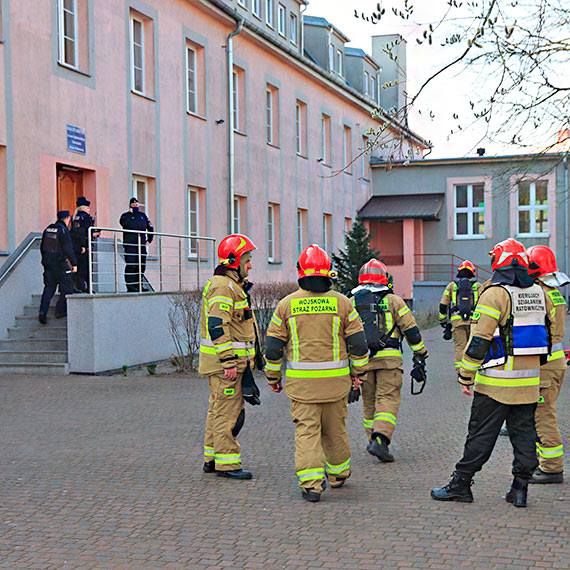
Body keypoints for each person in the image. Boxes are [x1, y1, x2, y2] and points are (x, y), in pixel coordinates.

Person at [431, 239, 552, 508]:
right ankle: (519, 490)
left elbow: (478, 341)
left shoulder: (494, 294)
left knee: (480, 435)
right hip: (529, 382)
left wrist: (465, 376)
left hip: (495, 384)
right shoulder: (540, 293)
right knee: (525, 437)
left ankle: (461, 485)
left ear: (499, 262)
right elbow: (550, 332)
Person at [264, 245, 369, 502]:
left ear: (301, 272)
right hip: (336, 385)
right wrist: (360, 374)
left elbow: (274, 348)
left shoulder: (286, 305)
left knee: (307, 432)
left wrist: (273, 378)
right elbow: (358, 344)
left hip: (302, 388)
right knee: (335, 430)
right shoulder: (342, 303)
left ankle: (312, 485)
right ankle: (338, 474)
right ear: (328, 274)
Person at [352, 259, 428, 462]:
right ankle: (380, 440)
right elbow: (411, 330)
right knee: (387, 398)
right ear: (384, 278)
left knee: (369, 402)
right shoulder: (394, 301)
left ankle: (372, 440)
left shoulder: (352, 302)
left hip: (363, 362)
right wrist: (420, 353)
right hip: (389, 360)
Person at [199, 233, 260, 480]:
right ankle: (227, 464)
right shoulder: (224, 287)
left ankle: (212, 458)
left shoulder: (230, 286)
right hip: (227, 365)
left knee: (217, 410)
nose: (250, 264)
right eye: (247, 259)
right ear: (235, 260)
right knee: (228, 413)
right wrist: (228, 361)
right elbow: (217, 325)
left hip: (225, 363)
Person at [527, 245, 568, 484]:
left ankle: (552, 468)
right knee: (543, 412)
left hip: (545, 364)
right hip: (555, 361)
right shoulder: (555, 292)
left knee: (543, 415)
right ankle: (544, 463)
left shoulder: (539, 293)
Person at [439, 260, 482, 371]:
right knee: (474, 347)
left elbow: (443, 305)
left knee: (460, 347)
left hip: (457, 322)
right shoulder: (478, 286)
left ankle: (461, 372)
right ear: (472, 272)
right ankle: (473, 371)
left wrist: (443, 320)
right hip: (474, 322)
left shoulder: (451, 286)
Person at [38, 211, 77, 324]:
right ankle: (60, 310)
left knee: (49, 287)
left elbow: (43, 247)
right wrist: (74, 263)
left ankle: (43, 312)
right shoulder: (63, 230)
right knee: (68, 285)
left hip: (48, 263)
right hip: (59, 263)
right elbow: (67, 248)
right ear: (67, 219)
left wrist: (45, 260)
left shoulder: (48, 229)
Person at [119, 197, 154, 292]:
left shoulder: (142, 216)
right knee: (131, 265)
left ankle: (139, 285)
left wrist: (149, 239)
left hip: (141, 244)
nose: (136, 206)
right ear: (130, 205)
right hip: (130, 245)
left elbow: (150, 227)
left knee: (141, 265)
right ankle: (130, 286)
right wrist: (130, 214)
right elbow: (124, 224)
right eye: (134, 205)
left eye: (137, 205)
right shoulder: (125, 216)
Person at [70, 197, 97, 292]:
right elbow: (83, 232)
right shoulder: (85, 217)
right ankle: (86, 287)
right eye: (87, 207)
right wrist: (84, 245)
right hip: (84, 245)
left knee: (79, 265)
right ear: (82, 208)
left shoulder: (75, 217)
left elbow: (75, 232)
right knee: (86, 267)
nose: (89, 209)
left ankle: (79, 285)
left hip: (75, 245)